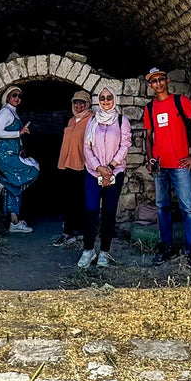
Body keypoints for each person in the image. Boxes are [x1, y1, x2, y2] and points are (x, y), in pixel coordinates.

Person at [143, 67, 191, 274]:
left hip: (180, 165)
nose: (158, 83)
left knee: (188, 209)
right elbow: (148, 136)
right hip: (160, 165)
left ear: (167, 81)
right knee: (162, 207)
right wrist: (149, 159)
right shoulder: (150, 107)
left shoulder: (181, 102)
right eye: (154, 81)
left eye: (161, 79)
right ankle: (167, 246)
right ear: (150, 85)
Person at [79, 86, 132, 268]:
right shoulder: (92, 120)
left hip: (114, 173)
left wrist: (110, 167)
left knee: (109, 213)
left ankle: (104, 252)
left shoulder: (121, 120)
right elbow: (86, 147)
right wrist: (98, 167)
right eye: (102, 98)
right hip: (93, 173)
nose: (106, 100)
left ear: (114, 99)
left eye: (109, 97)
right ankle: (88, 250)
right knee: (91, 211)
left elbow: (125, 145)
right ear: (98, 100)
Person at [0, 85, 40, 233]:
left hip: (13, 152)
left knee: (14, 186)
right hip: (4, 154)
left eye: (19, 96)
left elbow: (14, 133)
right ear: (7, 96)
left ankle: (14, 222)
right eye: (14, 95)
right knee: (33, 170)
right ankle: (1, 181)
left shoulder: (13, 112)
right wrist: (19, 133)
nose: (17, 98)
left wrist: (20, 146)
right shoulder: (5, 112)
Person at [53, 90, 93, 248]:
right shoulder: (71, 121)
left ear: (88, 104)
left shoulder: (91, 120)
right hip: (68, 164)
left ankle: (76, 231)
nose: (78, 105)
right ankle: (70, 231)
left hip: (82, 165)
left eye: (82, 102)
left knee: (80, 199)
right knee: (69, 198)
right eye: (76, 102)